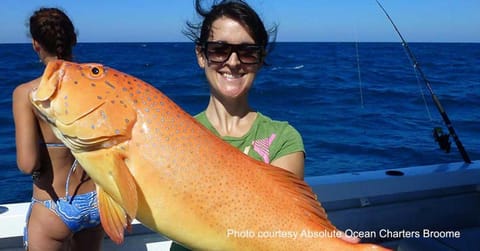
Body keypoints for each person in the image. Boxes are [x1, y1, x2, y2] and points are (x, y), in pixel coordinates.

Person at [171, 0, 305, 250]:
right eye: (219, 49)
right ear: (201, 55)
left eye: (247, 52)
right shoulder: (175, 134)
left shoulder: (283, 139)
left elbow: (275, 225)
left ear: (260, 58)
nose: (233, 62)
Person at [12, 7, 104, 251]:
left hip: (53, 204)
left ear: (35, 44)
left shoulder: (26, 94)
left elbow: (28, 163)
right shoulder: (98, 87)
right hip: (96, 201)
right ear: (73, 39)